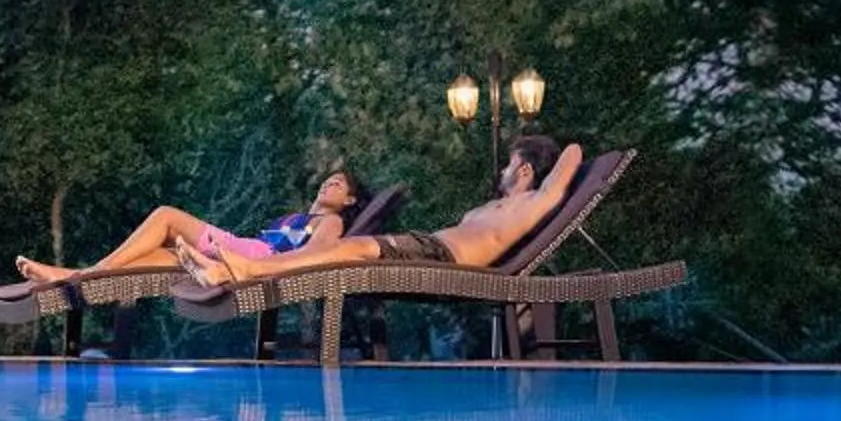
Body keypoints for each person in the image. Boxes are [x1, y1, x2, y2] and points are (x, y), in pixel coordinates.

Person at [176, 138, 579, 288]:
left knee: (353, 249)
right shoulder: (493, 207)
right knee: (352, 249)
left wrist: (544, 146)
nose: (502, 171)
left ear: (525, 170)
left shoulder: (534, 200)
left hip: (443, 255)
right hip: (428, 247)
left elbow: (571, 155)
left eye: (509, 164)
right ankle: (226, 272)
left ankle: (246, 271)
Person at [12, 166, 361, 287]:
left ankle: (83, 275)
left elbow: (317, 255)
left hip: (253, 256)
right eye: (328, 180)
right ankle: (69, 275)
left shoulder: (331, 221)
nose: (329, 184)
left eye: (339, 184)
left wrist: (260, 268)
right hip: (245, 249)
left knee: (166, 215)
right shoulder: (297, 216)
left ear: (349, 201)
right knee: (154, 255)